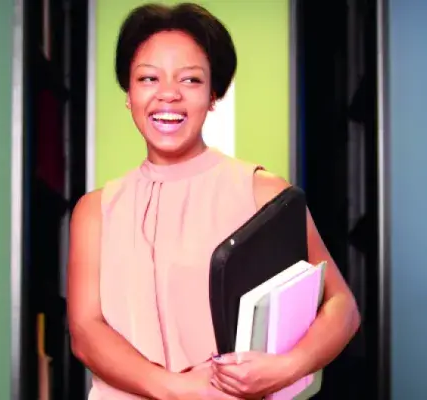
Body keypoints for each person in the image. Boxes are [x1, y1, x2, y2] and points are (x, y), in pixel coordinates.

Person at [67, 3, 361, 399]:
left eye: (190, 80)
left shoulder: (262, 193)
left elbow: (341, 305)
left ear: (213, 95)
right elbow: (86, 333)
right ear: (128, 93)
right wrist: (176, 389)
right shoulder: (95, 211)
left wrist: (285, 368)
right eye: (148, 78)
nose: (167, 94)